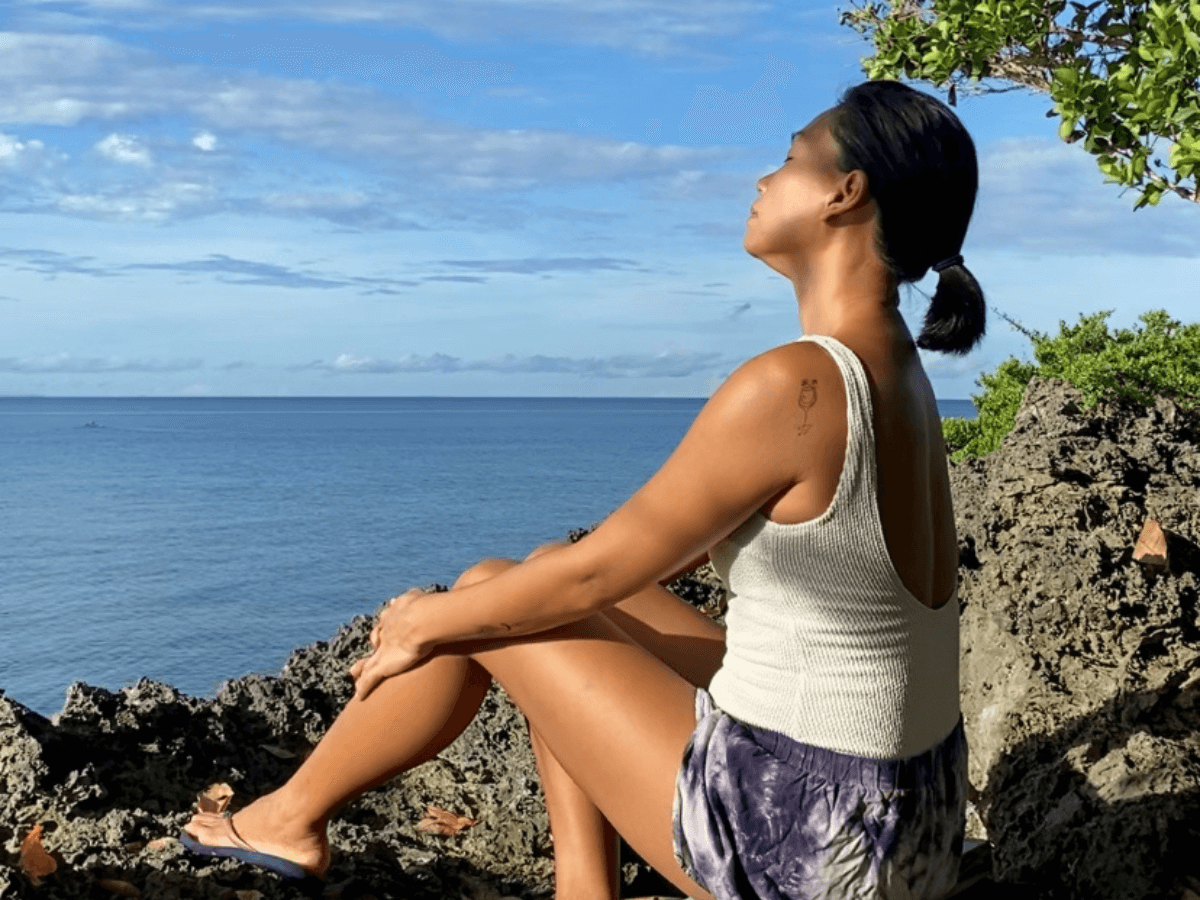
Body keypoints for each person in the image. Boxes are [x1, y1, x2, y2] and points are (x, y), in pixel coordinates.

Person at [181, 78, 984, 900]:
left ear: (845, 195)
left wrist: (421, 620)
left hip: (810, 846)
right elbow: (617, 560)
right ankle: (582, 889)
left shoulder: (795, 384)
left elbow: (595, 574)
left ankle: (291, 816)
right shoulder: (894, 373)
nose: (762, 180)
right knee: (539, 575)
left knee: (493, 592)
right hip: (909, 824)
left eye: (786, 159)